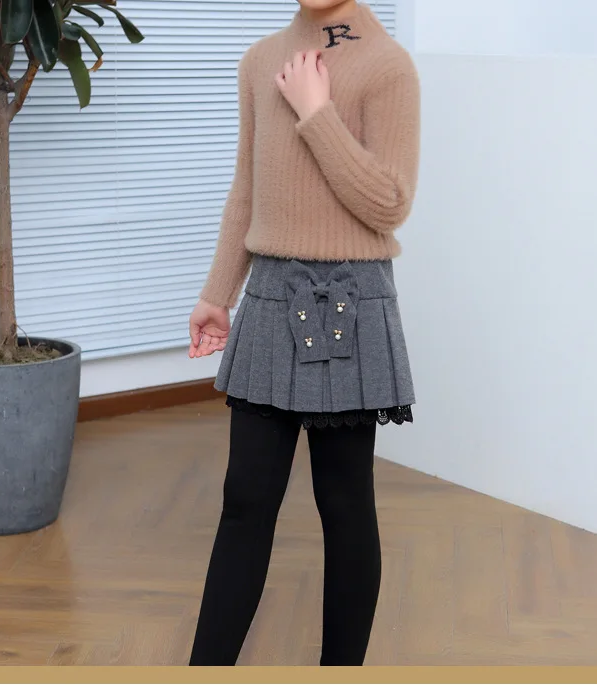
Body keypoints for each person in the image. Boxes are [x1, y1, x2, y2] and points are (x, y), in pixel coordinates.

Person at [186, 0, 420, 666]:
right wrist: (216, 294)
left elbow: (390, 204)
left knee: (344, 504)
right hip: (269, 296)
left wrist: (317, 112)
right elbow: (247, 189)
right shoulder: (261, 60)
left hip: (351, 299)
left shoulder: (387, 66)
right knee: (244, 499)